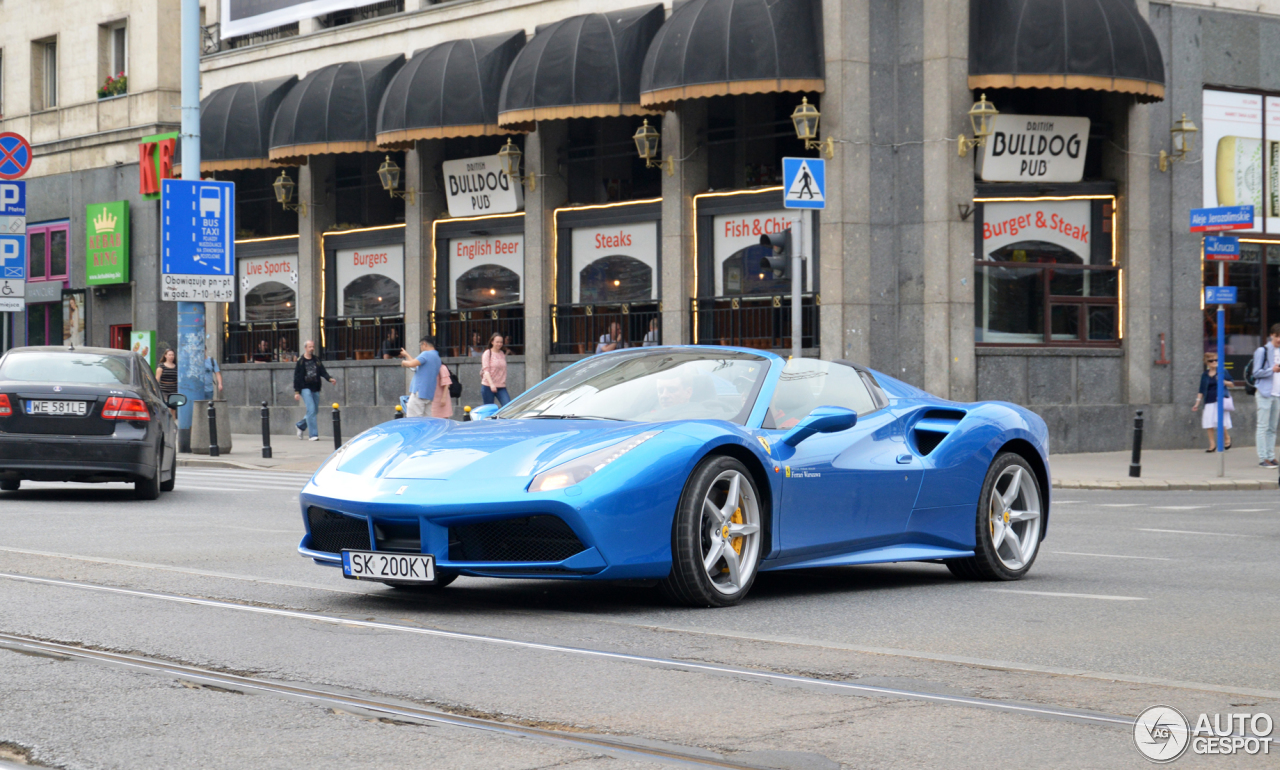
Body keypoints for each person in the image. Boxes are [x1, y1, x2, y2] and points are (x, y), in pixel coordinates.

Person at [293, 340, 336, 441]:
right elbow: (297, 377)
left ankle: (300, 425)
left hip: (315, 387)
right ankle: (313, 435)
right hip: (305, 388)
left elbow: (322, 371)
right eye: (310, 347)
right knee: (311, 410)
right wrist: (297, 391)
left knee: (314, 410)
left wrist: (330, 379)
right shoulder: (301, 361)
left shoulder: (316, 359)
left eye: (313, 347)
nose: (312, 349)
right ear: (305, 348)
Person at [1192, 351, 1232, 452]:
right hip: (1209, 401)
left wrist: (1223, 381)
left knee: (1221, 421)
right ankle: (1212, 445)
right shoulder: (1204, 375)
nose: (1214, 362)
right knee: (1208, 423)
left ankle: (1227, 437)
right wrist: (1197, 403)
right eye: (1211, 360)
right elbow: (1201, 390)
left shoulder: (1222, 371)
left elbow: (1232, 384)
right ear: (1207, 362)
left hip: (1220, 400)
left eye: (1216, 360)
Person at [1252, 325, 1280, 467]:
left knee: (1272, 427)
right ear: (1271, 336)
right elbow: (1256, 373)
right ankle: (1263, 458)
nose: (1279, 339)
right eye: (1277, 336)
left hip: (1277, 394)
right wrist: (1271, 369)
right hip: (1264, 393)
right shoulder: (1262, 351)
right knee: (1262, 426)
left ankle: (1271, 456)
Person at [398, 336, 442, 417]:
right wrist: (407, 354)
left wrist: (403, 362)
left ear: (424, 344)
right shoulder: (437, 357)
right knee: (427, 421)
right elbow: (416, 365)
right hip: (429, 393)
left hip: (419, 392)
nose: (421, 348)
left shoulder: (426, 354)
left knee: (414, 420)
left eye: (420, 345)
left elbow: (412, 364)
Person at [481, 333, 510, 406]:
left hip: (501, 385)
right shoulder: (487, 353)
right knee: (489, 409)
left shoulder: (502, 353)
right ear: (492, 342)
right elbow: (486, 370)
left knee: (507, 406)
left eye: (501, 342)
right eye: (497, 342)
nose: (499, 344)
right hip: (488, 385)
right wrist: (491, 384)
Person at [156, 349, 178, 418]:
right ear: (165, 356)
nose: (171, 356)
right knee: (168, 408)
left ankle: (173, 427)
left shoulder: (176, 367)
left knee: (173, 410)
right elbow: (157, 379)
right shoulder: (161, 367)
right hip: (164, 391)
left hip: (174, 391)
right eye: (169, 355)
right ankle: (167, 425)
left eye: (172, 355)